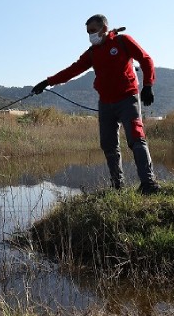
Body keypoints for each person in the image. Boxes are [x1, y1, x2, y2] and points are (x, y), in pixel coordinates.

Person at [32, 14, 161, 194]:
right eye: (88, 32)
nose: (90, 35)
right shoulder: (92, 53)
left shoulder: (123, 41)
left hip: (128, 99)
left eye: (93, 31)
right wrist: (47, 82)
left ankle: (149, 184)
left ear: (104, 28)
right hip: (106, 103)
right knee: (108, 145)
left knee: (136, 139)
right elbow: (73, 70)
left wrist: (148, 85)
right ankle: (118, 185)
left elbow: (146, 59)